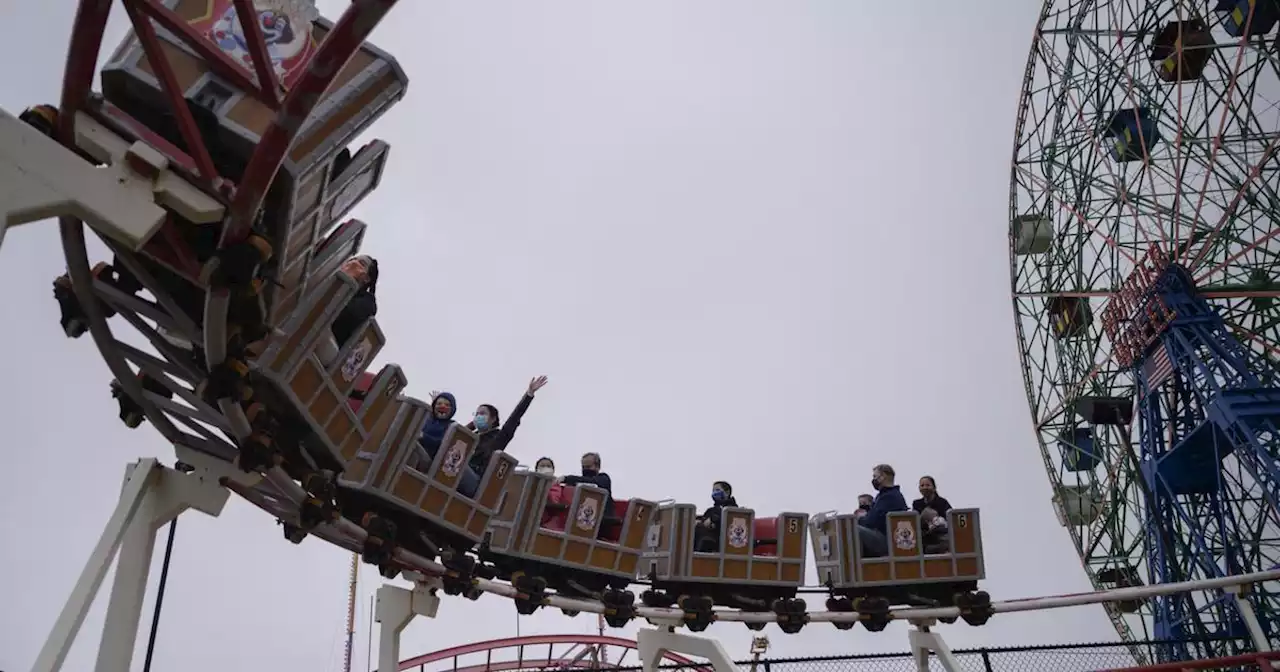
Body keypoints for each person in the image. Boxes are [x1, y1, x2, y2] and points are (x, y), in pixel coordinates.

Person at [466, 376, 549, 476]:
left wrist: (529, 394)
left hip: (475, 476)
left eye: (482, 414)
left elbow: (514, 419)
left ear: (493, 419)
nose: (478, 416)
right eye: (477, 414)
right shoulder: (470, 436)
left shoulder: (498, 437)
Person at [414, 392, 481, 497]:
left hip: (432, 459)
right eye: (439, 403)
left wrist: (424, 437)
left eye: (447, 405)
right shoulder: (427, 420)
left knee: (414, 445)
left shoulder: (451, 426)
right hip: (419, 452)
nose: (442, 406)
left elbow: (445, 444)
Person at [856, 464, 907, 557]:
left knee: (855, 530)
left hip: (888, 541)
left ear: (883, 476)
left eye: (875, 476)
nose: (873, 480)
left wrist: (859, 519)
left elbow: (871, 522)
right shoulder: (883, 496)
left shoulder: (890, 497)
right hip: (882, 536)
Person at [332, 255, 379, 346]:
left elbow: (344, 318)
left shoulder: (367, 302)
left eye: (361, 263)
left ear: (366, 278)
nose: (353, 263)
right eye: (352, 260)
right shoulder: (329, 279)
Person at [560, 452, 615, 527]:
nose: (585, 470)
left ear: (597, 467)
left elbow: (592, 482)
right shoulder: (578, 483)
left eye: (588, 467)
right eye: (583, 467)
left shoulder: (604, 479)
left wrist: (567, 478)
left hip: (602, 522)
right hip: (580, 521)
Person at [694, 481, 738, 553]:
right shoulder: (711, 510)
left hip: (720, 544)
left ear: (727, 492)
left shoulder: (732, 509)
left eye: (717, 490)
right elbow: (704, 519)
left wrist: (713, 521)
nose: (714, 493)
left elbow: (727, 522)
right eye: (713, 491)